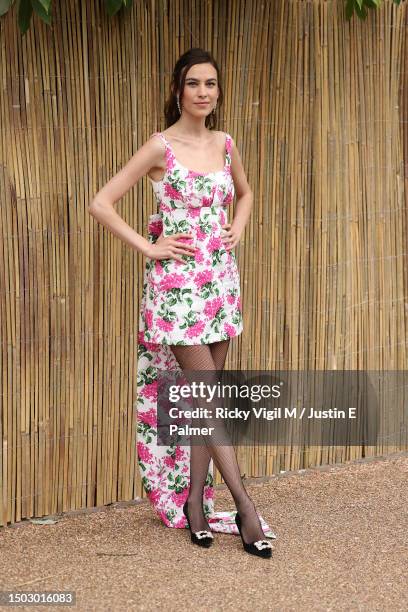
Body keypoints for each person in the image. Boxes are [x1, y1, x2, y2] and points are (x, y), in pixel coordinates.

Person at [89, 48, 276, 558]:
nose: (203, 92)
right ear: (178, 89)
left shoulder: (225, 143)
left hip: (220, 283)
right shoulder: (159, 148)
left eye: (211, 84)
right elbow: (101, 202)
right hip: (177, 292)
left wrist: (238, 225)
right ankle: (245, 506)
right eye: (194, 83)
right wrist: (149, 247)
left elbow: (246, 193)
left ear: (218, 92)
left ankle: (195, 501)